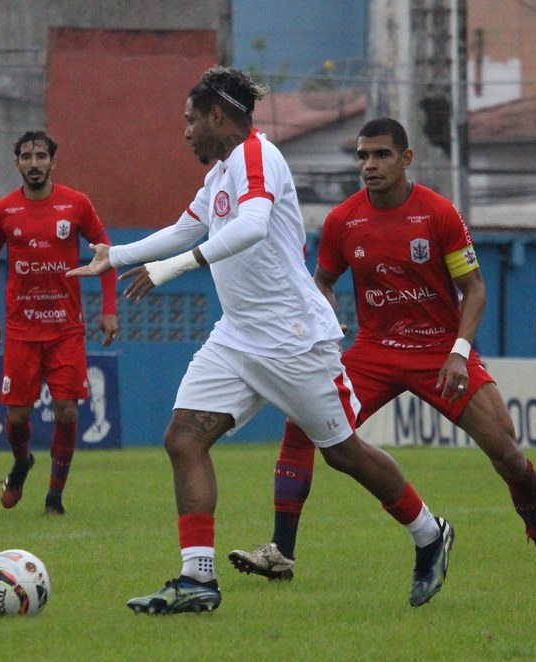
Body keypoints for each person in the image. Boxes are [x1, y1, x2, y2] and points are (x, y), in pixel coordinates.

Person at [69, 67, 454, 614]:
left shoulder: (258, 155)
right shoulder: (221, 172)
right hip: (238, 337)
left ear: (218, 117)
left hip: (292, 337)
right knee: (183, 438)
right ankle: (197, 580)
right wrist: (116, 256)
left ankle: (429, 534)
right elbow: (186, 228)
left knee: (343, 453)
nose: (185, 132)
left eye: (190, 120)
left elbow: (250, 227)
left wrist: (171, 270)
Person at [228, 117, 536, 585]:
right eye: (362, 156)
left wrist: (459, 350)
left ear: (406, 159)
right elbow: (323, 281)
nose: (369, 165)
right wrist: (326, 315)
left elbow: (473, 289)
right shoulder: (343, 220)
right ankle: (281, 552)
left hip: (438, 352)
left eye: (381, 155)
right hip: (373, 350)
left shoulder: (437, 213)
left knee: (505, 449)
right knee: (301, 421)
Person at [0, 130, 118, 516]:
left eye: (42, 156)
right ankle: (22, 462)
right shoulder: (4, 211)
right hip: (22, 331)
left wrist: (109, 308)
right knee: (18, 416)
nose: (35, 163)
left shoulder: (75, 204)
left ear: (53, 163)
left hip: (65, 329)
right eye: (27, 156)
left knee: (67, 412)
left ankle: (55, 496)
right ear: (17, 163)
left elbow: (106, 252)